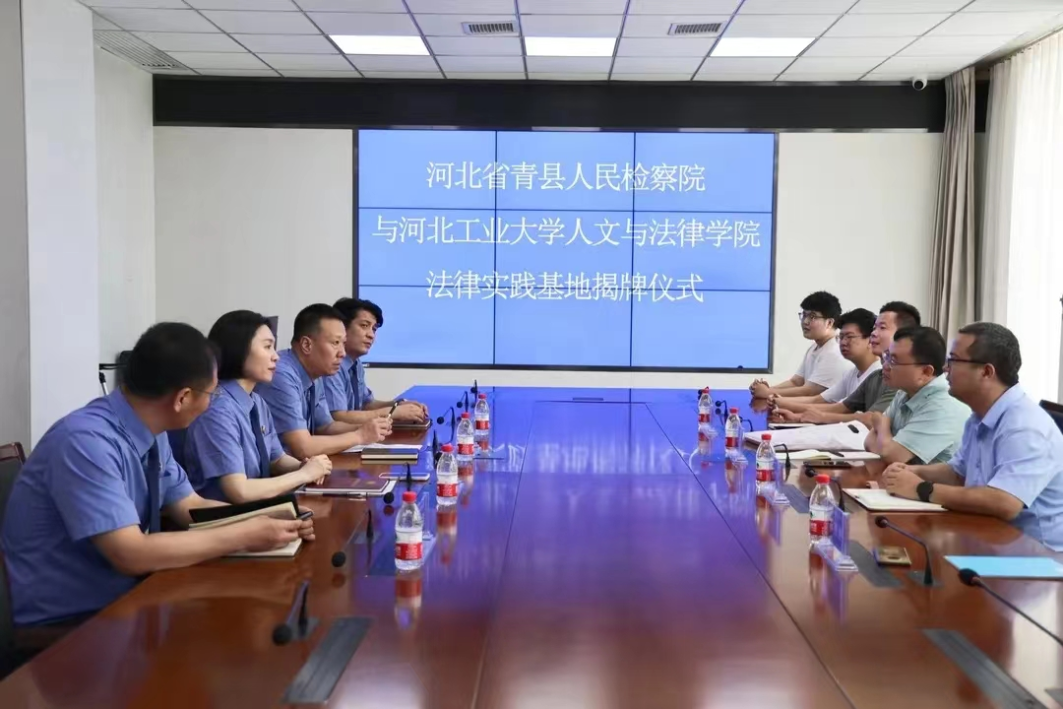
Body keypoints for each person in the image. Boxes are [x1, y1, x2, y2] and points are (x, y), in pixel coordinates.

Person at [0, 323, 315, 628]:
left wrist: (271, 519)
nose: (213, 403)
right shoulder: (85, 442)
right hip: (72, 620)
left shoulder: (152, 430)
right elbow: (130, 553)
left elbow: (190, 507)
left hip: (127, 596)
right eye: (211, 393)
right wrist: (245, 535)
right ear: (182, 398)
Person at [883, 323, 1063, 549]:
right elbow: (958, 473)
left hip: (1037, 556)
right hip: (990, 536)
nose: (945, 369)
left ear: (986, 372)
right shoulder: (979, 416)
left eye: (953, 360)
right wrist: (912, 472)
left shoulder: (1025, 426)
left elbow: (1005, 502)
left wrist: (922, 489)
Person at [183, 310, 333, 503]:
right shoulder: (217, 410)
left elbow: (276, 459)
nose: (276, 356)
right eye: (267, 347)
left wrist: (306, 466)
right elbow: (239, 491)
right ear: (239, 349)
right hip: (225, 515)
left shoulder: (257, 402)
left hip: (258, 508)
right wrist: (303, 475)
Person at [255, 303, 390, 459]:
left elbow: (326, 426)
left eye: (343, 343)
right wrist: (359, 436)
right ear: (307, 345)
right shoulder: (281, 374)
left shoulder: (315, 373)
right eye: (335, 343)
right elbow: (303, 448)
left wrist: (366, 428)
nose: (342, 353)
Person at [773, 301, 921, 425]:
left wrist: (819, 417)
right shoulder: (875, 376)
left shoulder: (902, 380)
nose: (874, 333)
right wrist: (795, 415)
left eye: (882, 328)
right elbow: (841, 407)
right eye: (874, 328)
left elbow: (872, 420)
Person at [864, 326, 970, 464]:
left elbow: (891, 456)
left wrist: (882, 424)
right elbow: (868, 443)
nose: (885, 366)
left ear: (926, 372)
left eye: (894, 361)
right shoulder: (904, 392)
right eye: (887, 356)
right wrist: (885, 443)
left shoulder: (942, 406)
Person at [323, 298, 428, 425]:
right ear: (341, 327)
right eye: (364, 326)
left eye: (374, 329)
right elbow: (338, 417)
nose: (371, 335)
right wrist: (392, 412)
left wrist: (398, 404)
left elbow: (366, 404)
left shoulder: (356, 363)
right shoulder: (331, 365)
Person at [770, 308, 880, 412]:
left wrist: (780, 402)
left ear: (871, 339)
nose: (843, 342)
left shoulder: (878, 375)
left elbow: (841, 410)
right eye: (841, 337)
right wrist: (778, 400)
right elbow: (818, 400)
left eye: (849, 337)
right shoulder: (852, 373)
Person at [750, 291, 852, 400]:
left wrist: (767, 393)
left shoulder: (834, 352)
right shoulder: (815, 347)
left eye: (812, 317)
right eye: (804, 315)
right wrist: (767, 389)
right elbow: (796, 382)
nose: (805, 321)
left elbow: (809, 392)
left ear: (829, 323)